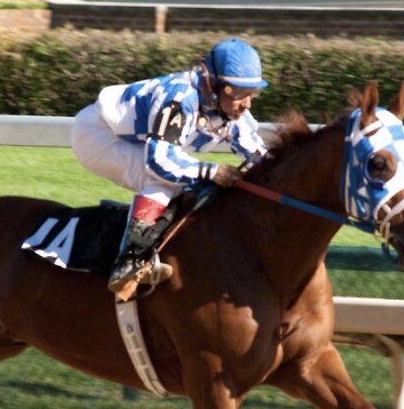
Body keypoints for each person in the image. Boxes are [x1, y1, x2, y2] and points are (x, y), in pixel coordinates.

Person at [71, 37, 270, 296]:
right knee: (163, 180)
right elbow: (159, 161)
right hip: (98, 135)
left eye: (252, 93)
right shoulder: (179, 98)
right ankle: (129, 262)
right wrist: (212, 171)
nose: (246, 104)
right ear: (213, 83)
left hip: (136, 140)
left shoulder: (229, 107)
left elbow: (258, 154)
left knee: (188, 182)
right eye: (237, 93)